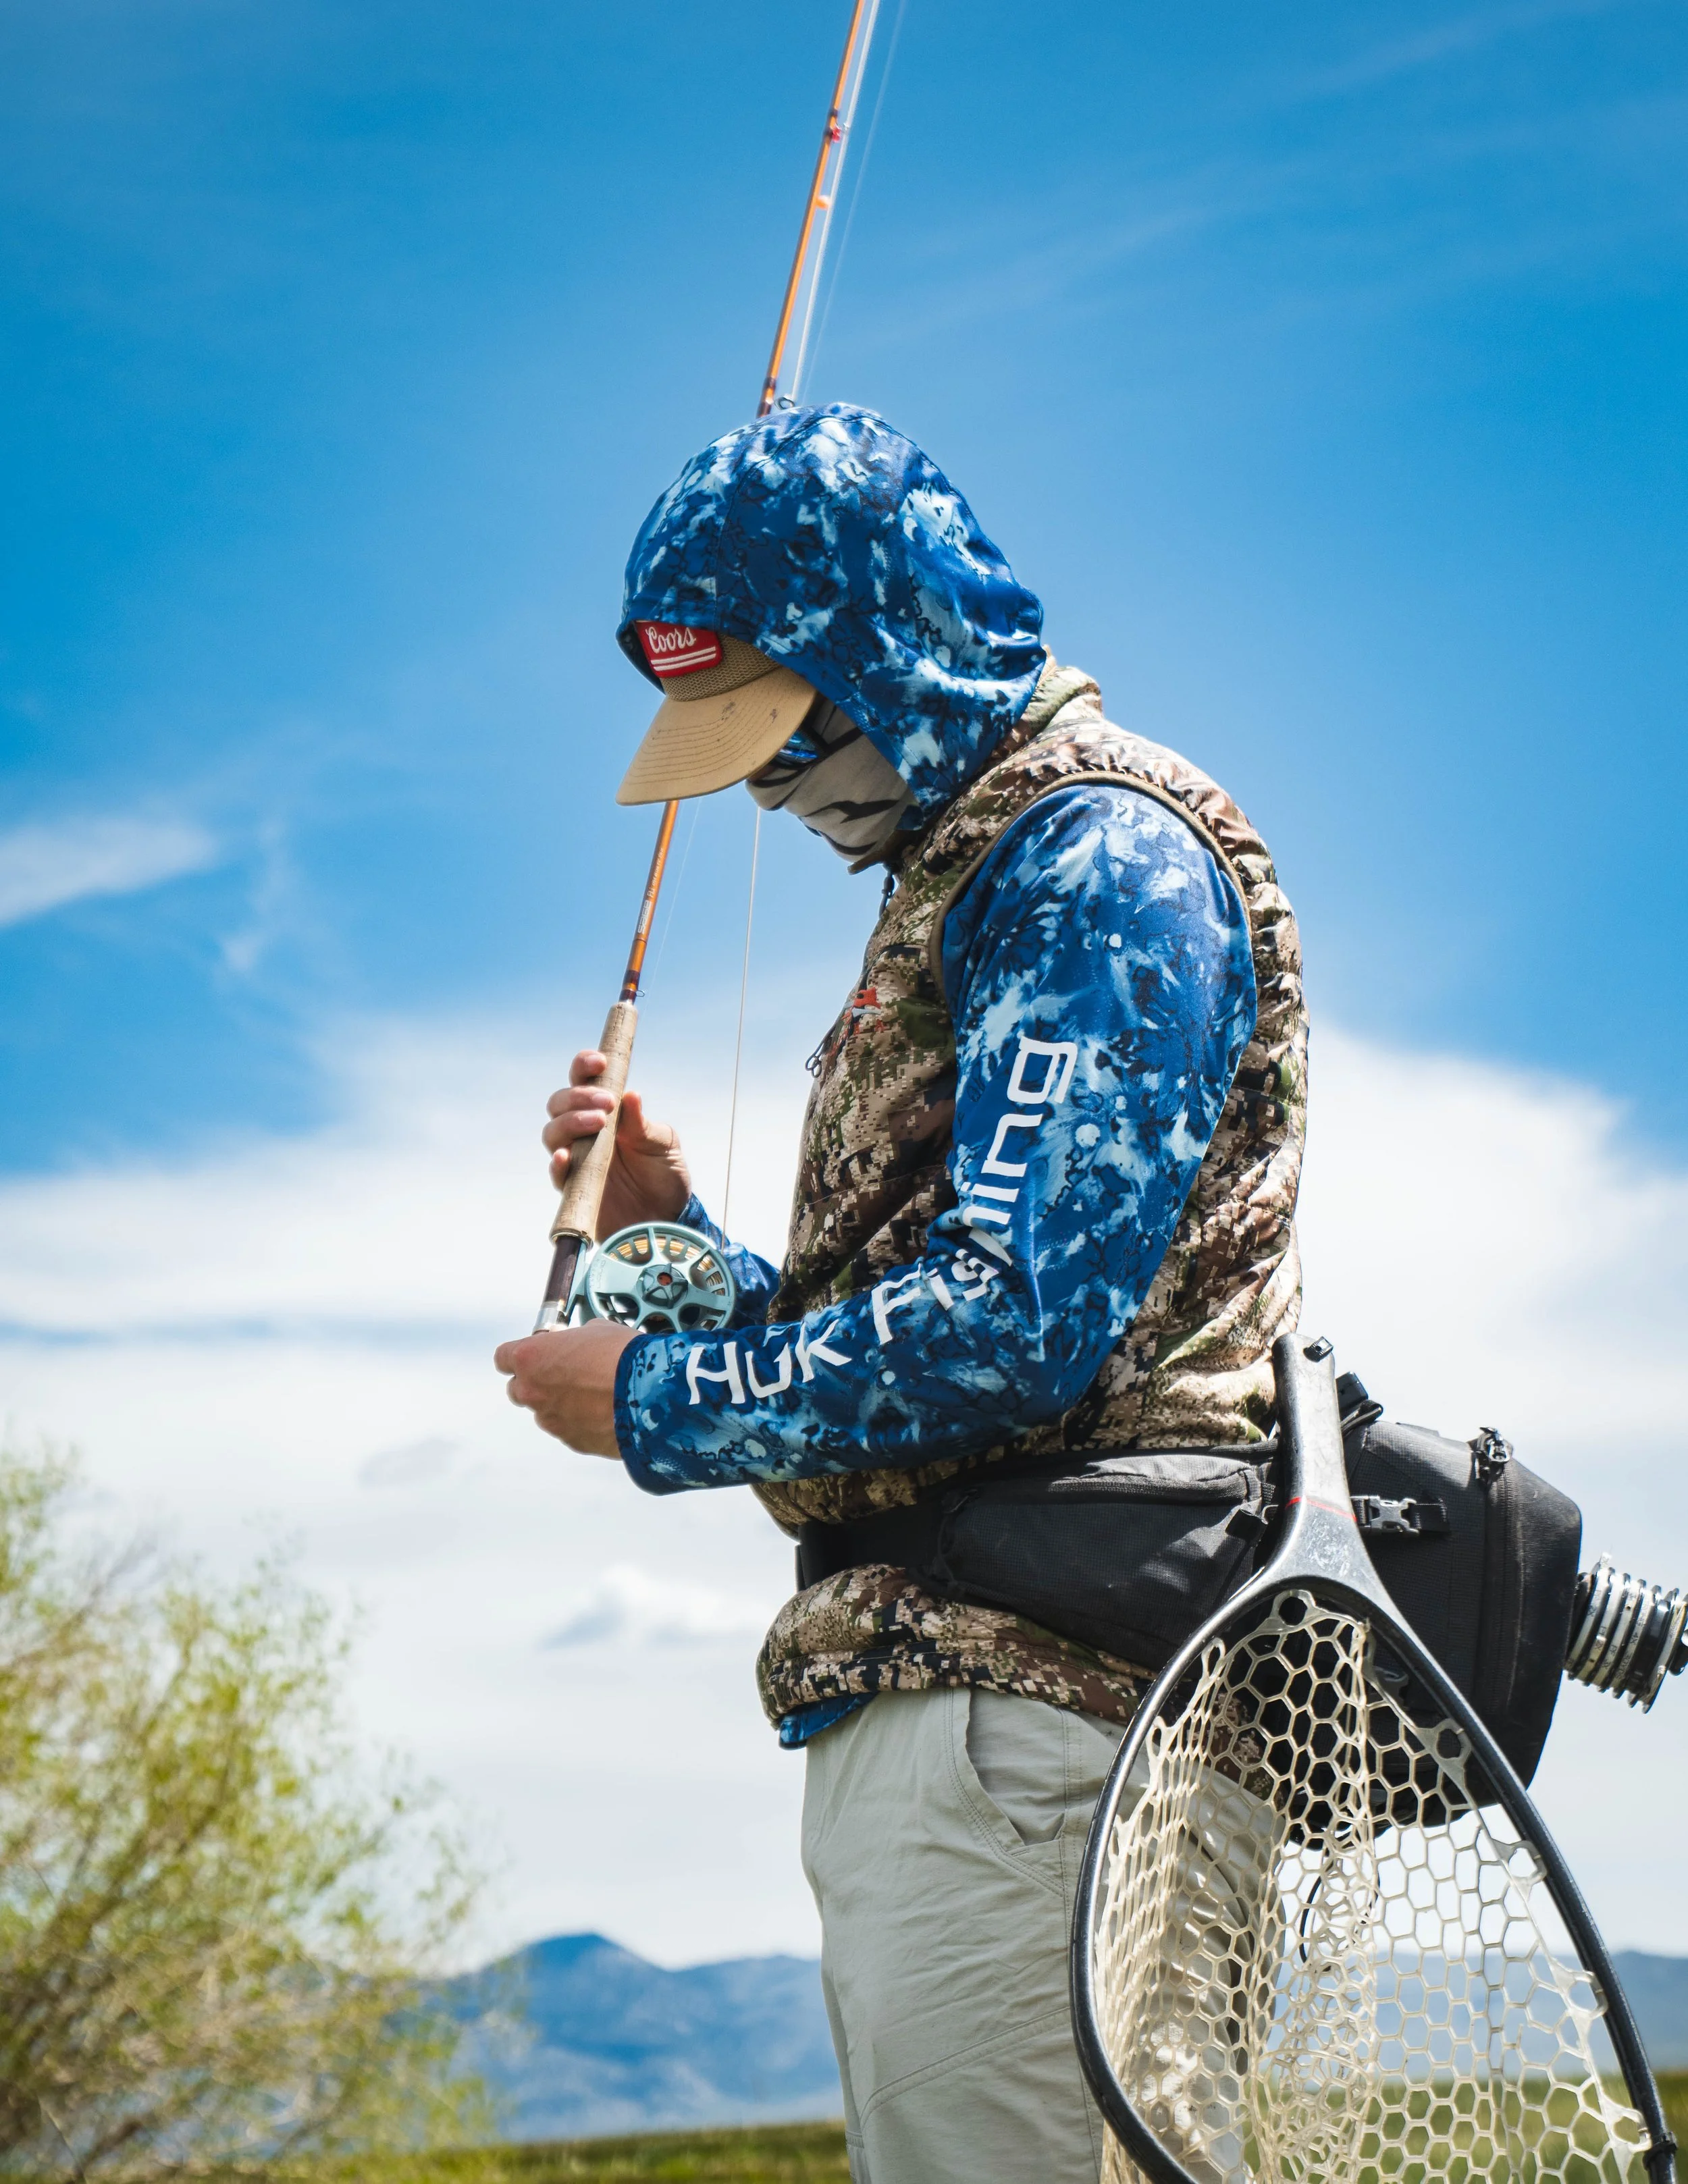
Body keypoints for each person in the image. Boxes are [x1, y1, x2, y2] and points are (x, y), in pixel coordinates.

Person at [494, 403, 1307, 2184]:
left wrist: (648, 1401)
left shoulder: (1088, 860)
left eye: (787, 737)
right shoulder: (983, 872)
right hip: (987, 1728)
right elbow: (953, 1293)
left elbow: (1013, 1327)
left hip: (1044, 1739)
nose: (777, 794)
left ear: (888, 644)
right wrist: (673, 1227)